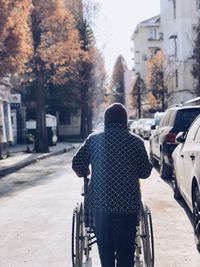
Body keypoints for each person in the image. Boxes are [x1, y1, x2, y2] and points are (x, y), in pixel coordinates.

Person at [72, 103, 152, 267]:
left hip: (100, 207)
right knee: (126, 255)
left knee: (106, 255)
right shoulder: (136, 142)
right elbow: (145, 172)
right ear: (125, 121)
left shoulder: (94, 140)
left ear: (106, 121)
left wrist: (85, 172)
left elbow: (77, 163)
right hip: (127, 206)